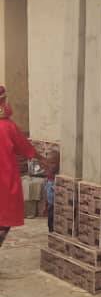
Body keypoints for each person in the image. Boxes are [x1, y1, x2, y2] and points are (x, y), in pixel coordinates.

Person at [0, 91, 45, 247]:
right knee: (5, 217)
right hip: (5, 177)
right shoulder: (8, 126)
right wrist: (42, 159)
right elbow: (26, 148)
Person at [45, 151, 60, 233]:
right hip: (50, 203)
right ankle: (51, 231)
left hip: (56, 204)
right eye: (48, 163)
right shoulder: (49, 175)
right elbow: (47, 190)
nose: (50, 165)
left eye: (53, 163)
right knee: (50, 218)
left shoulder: (58, 177)